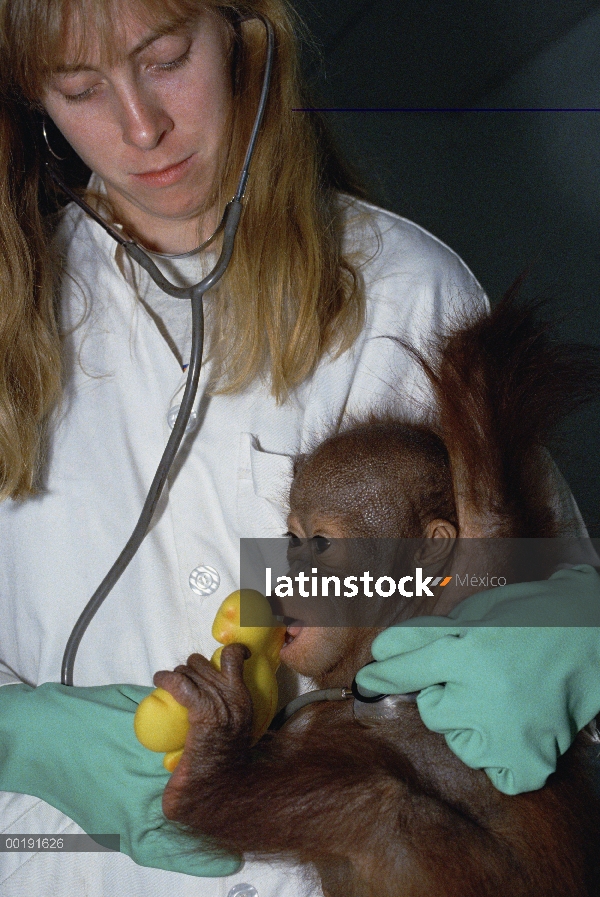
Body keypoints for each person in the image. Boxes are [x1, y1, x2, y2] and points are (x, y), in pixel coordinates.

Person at [0, 1, 597, 896]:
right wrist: (18, 735)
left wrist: (576, 629)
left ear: (245, 34)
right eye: (80, 89)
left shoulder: (400, 295)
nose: (139, 126)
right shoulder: (13, 327)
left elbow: (526, 641)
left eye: (164, 59)